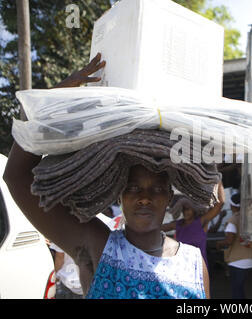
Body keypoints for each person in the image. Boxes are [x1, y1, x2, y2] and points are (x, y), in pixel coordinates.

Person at [3, 53, 209, 299]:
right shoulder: (97, 246)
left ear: (168, 195)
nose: (144, 198)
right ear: (119, 193)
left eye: (155, 189)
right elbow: (17, 177)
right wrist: (52, 100)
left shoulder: (194, 263)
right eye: (133, 188)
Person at [162, 182, 225, 268]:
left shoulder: (200, 222)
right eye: (184, 209)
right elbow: (158, 228)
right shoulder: (178, 224)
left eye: (188, 209)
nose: (185, 212)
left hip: (198, 267)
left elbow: (220, 203)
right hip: (181, 267)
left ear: (194, 210)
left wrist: (218, 181)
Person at [216, 192, 252, 299]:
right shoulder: (248, 218)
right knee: (240, 289)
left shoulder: (233, 221)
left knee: (236, 291)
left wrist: (219, 243)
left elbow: (229, 241)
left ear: (232, 206)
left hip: (237, 261)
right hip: (249, 258)